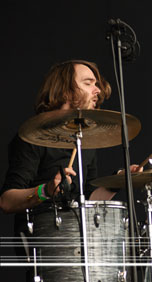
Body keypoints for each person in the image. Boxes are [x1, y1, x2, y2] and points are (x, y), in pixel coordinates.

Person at [0, 59, 138, 280]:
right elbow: (6, 201)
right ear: (65, 92)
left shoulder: (86, 140)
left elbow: (90, 198)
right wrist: (44, 191)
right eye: (88, 83)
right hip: (50, 254)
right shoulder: (32, 138)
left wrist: (118, 181)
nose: (98, 90)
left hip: (86, 252)